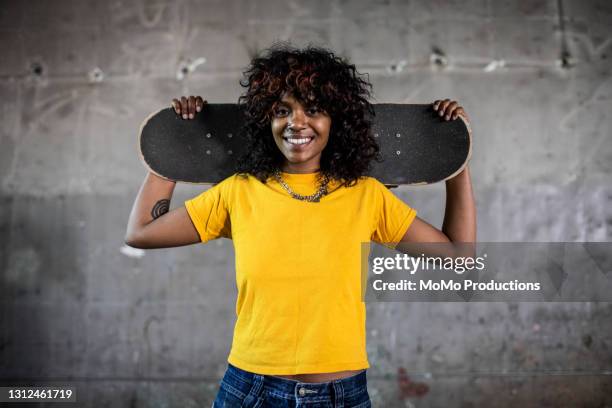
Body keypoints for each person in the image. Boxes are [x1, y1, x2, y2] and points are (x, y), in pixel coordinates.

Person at [125, 44, 475, 407]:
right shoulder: (240, 191)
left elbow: (458, 256)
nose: (296, 121)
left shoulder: (365, 195)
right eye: (281, 110)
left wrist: (454, 161)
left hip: (342, 394)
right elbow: (141, 232)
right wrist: (174, 146)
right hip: (252, 390)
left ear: (335, 120)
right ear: (267, 120)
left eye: (314, 109)